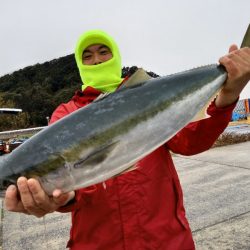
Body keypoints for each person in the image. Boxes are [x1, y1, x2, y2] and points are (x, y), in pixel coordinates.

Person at [4, 29, 250, 250]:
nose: (97, 59)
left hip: (167, 240)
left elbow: (190, 142)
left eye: (103, 52)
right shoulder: (66, 114)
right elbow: (77, 177)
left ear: (117, 57)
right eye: (87, 56)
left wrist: (228, 95)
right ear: (79, 64)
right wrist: (65, 196)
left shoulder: (149, 93)